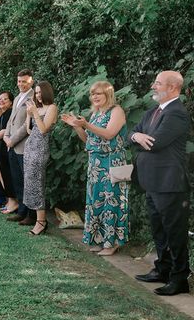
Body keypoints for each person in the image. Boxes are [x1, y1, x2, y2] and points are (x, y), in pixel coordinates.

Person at [130, 71, 191, 296]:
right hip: (152, 183)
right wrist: (137, 137)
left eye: (158, 83)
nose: (153, 86)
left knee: (174, 233)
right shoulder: (153, 112)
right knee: (159, 230)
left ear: (173, 87)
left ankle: (179, 278)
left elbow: (155, 143)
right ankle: (162, 270)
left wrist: (142, 138)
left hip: (170, 184)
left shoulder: (177, 114)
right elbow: (132, 133)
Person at [61, 81, 129, 255]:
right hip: (96, 165)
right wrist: (77, 126)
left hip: (112, 163)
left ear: (108, 95)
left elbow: (109, 134)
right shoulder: (95, 113)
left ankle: (112, 243)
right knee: (96, 202)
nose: (95, 97)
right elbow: (88, 139)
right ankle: (99, 239)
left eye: (99, 93)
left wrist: (86, 125)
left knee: (112, 201)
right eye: (92, 94)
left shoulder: (117, 111)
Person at [22, 82, 57, 235]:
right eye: (36, 93)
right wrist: (29, 116)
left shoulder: (52, 108)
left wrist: (35, 113)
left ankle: (41, 221)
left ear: (47, 93)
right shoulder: (38, 109)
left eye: (40, 93)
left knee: (37, 183)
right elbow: (30, 130)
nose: (38, 96)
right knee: (29, 182)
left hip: (41, 149)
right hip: (30, 147)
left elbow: (43, 130)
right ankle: (38, 219)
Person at [3, 69, 35, 225]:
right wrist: (6, 135)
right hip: (11, 145)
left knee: (27, 180)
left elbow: (26, 124)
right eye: (19, 81)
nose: (21, 84)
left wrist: (13, 139)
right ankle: (21, 211)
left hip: (23, 145)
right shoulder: (16, 98)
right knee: (17, 180)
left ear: (31, 82)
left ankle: (31, 214)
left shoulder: (33, 97)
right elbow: (11, 120)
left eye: (24, 82)